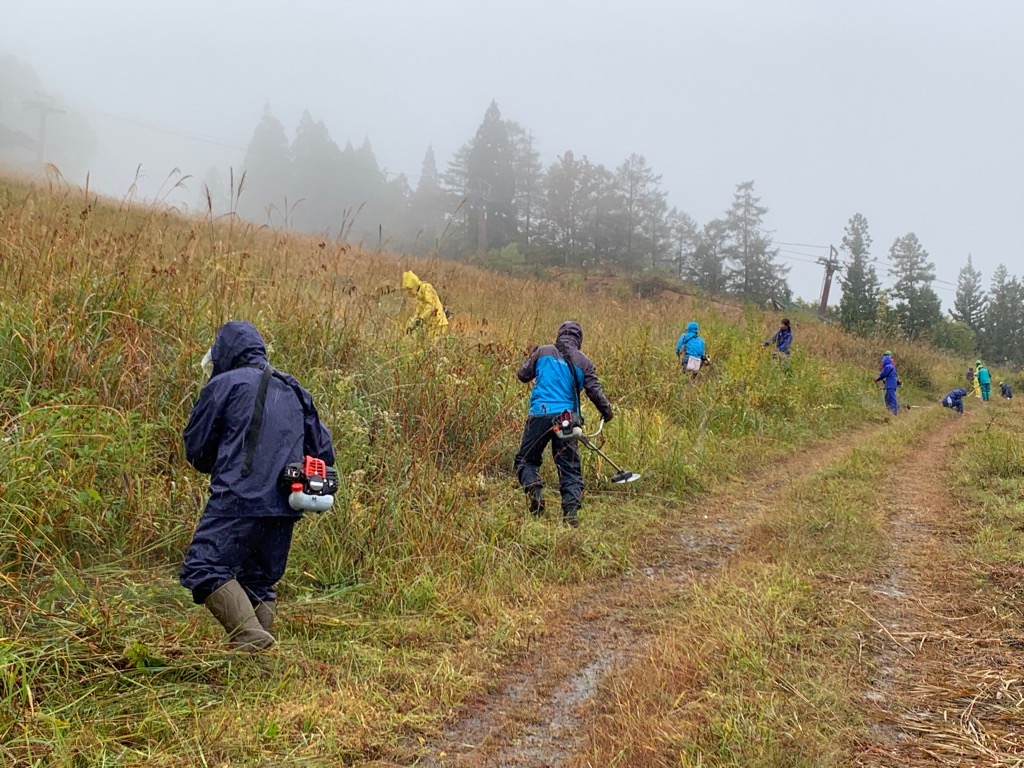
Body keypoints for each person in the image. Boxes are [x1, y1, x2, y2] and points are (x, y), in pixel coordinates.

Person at [180, 321, 335, 651]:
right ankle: (256, 664)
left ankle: (250, 638)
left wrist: (225, 459)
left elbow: (196, 448)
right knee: (258, 579)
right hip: (287, 503)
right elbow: (323, 452)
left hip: (238, 497)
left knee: (204, 567)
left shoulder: (224, 384)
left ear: (225, 351)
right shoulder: (294, 389)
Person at [514, 321, 613, 528]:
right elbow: (595, 392)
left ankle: (535, 492)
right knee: (569, 469)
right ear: (579, 339)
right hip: (566, 421)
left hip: (539, 416)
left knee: (526, 460)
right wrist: (607, 412)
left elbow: (522, 375)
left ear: (560, 335)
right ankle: (570, 516)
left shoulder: (543, 351)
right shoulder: (584, 362)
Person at [402, 270, 449, 338]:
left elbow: (431, 305)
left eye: (409, 289)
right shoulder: (419, 297)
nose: (409, 293)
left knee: (432, 346)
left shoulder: (426, 288)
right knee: (428, 345)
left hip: (438, 323)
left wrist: (421, 318)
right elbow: (418, 313)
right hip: (431, 325)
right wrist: (411, 326)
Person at [874, 350, 900, 416]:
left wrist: (877, 379)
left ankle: (894, 413)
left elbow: (883, 375)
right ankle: (889, 411)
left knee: (891, 398)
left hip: (891, 385)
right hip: (891, 384)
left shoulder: (888, 366)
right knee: (887, 398)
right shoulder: (891, 366)